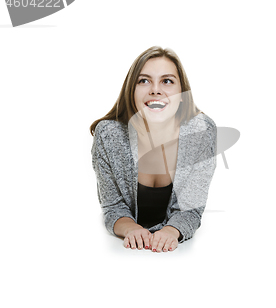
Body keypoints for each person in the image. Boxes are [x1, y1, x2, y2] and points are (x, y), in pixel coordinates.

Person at [90, 46, 216, 252]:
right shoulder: (109, 135)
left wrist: (171, 230)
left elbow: (191, 209)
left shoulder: (201, 132)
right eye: (144, 81)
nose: (155, 90)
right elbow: (113, 207)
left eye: (167, 81)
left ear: (183, 94)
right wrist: (130, 228)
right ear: (131, 91)